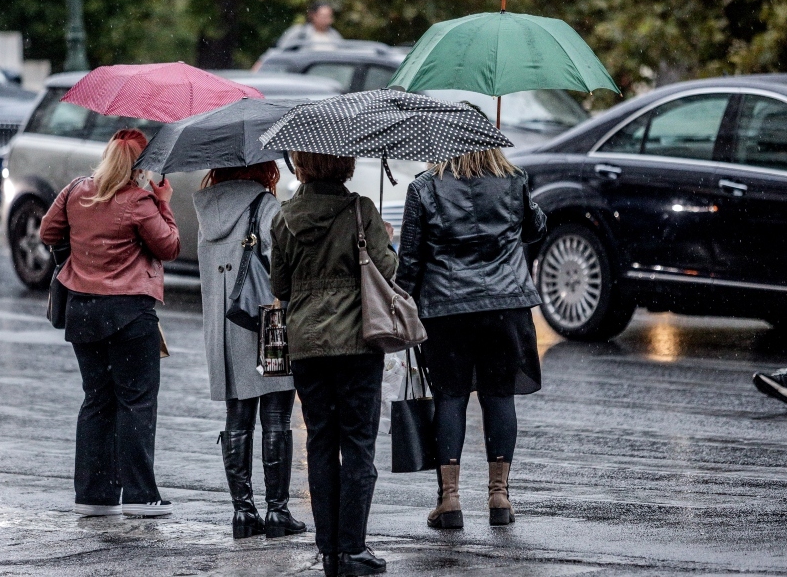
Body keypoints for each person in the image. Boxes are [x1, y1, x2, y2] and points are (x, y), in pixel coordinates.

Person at [395, 146, 547, 530]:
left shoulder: (425, 188)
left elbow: (411, 258)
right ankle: (499, 496)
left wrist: (400, 305)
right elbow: (535, 230)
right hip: (505, 306)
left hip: (447, 310)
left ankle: (449, 501)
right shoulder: (514, 181)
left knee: (450, 397)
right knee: (499, 394)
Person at [39, 129, 180, 518]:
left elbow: (47, 231)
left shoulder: (75, 190)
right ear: (140, 166)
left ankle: (94, 494)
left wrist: (82, 247)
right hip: (130, 313)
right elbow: (168, 246)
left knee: (97, 400)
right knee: (135, 401)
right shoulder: (139, 201)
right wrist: (163, 202)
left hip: (82, 310)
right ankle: (140, 496)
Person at [270, 152, 396, 577]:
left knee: (320, 441)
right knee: (358, 442)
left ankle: (329, 550)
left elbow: (280, 285)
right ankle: (353, 548)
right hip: (358, 341)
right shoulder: (361, 209)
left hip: (306, 343)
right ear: (344, 164)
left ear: (301, 166)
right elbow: (387, 270)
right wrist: (384, 238)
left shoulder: (284, 218)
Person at [193, 162, 306, 539]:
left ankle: (243, 512)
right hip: (267, 322)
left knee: (237, 417)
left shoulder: (206, 211)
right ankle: (277, 511)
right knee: (276, 417)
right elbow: (282, 268)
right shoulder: (266, 207)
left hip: (225, 327)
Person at [276, 0, 343, 49]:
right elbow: (281, 50)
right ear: (313, 15)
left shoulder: (334, 35)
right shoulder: (299, 33)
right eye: (324, 16)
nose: (328, 20)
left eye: (330, 16)